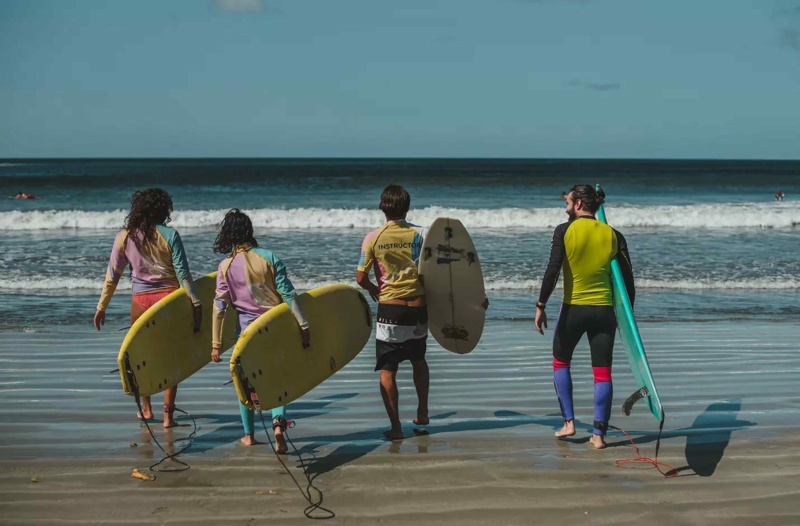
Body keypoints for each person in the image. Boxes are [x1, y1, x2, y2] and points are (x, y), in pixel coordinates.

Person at [534, 184, 635, 449]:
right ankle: (599, 435)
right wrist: (627, 319)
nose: (566, 207)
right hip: (605, 312)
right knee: (603, 374)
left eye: (567, 202)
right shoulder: (614, 235)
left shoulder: (564, 230)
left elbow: (552, 270)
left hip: (574, 310)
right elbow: (627, 282)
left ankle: (569, 422)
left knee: (560, 362)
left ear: (579, 203)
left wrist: (541, 304)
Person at [93, 188, 202, 428]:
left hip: (141, 301)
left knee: (144, 354)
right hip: (169, 301)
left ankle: (146, 409)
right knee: (170, 357)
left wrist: (102, 307)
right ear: (164, 210)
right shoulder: (170, 235)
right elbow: (183, 275)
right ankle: (168, 416)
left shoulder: (125, 237)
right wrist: (195, 302)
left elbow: (112, 276)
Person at [210, 209, 311, 452]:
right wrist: (304, 325)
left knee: (244, 384)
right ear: (250, 231)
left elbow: (219, 308)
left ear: (227, 235)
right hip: (275, 327)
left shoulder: (225, 266)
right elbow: (288, 294)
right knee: (278, 379)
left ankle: (249, 435)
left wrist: (215, 344)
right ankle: (278, 425)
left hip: (246, 334)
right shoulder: (269, 257)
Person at [356, 185, 429, 441]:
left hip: (391, 310)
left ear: (382, 207)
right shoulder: (422, 233)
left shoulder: (373, 237)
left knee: (388, 369)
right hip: (419, 308)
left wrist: (374, 289)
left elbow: (360, 277)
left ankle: (396, 428)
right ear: (407, 208)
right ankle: (422, 411)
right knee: (418, 359)